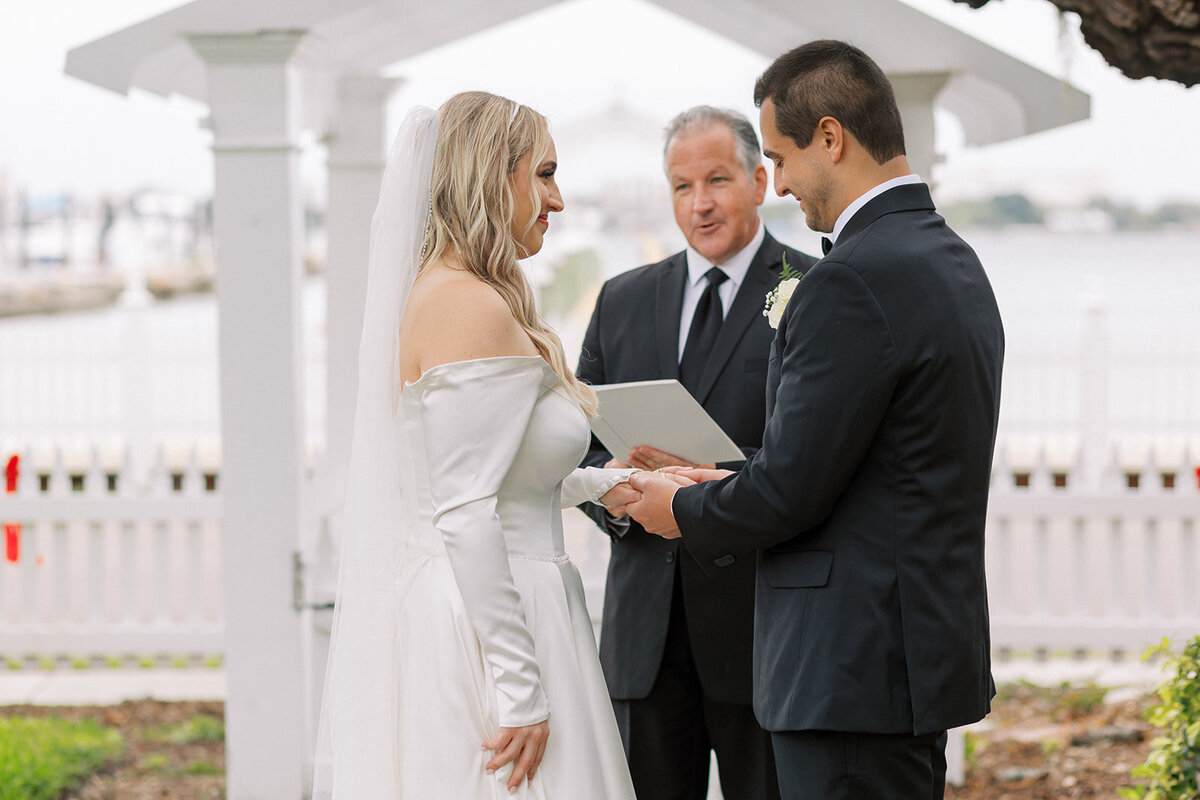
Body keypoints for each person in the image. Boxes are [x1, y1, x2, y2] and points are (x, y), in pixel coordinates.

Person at [625, 40, 1005, 800]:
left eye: (782, 157)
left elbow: (793, 490)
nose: (784, 183)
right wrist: (722, 474)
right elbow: (860, 461)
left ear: (831, 137)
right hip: (908, 656)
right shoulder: (951, 260)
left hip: (848, 670)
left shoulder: (850, 280)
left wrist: (683, 507)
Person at [312, 91, 639, 799]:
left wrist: (602, 484)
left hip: (498, 596)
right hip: (498, 619)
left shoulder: (456, 291)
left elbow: (487, 477)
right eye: (544, 173)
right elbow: (463, 512)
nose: (557, 197)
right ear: (494, 175)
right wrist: (519, 691)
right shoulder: (467, 303)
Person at [576, 106, 815, 800]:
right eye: (682, 186)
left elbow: (815, 452)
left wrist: (702, 490)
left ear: (761, 180)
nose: (700, 204)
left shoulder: (814, 291)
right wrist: (621, 503)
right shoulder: (622, 301)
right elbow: (583, 440)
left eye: (717, 180)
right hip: (643, 634)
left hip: (759, 627)